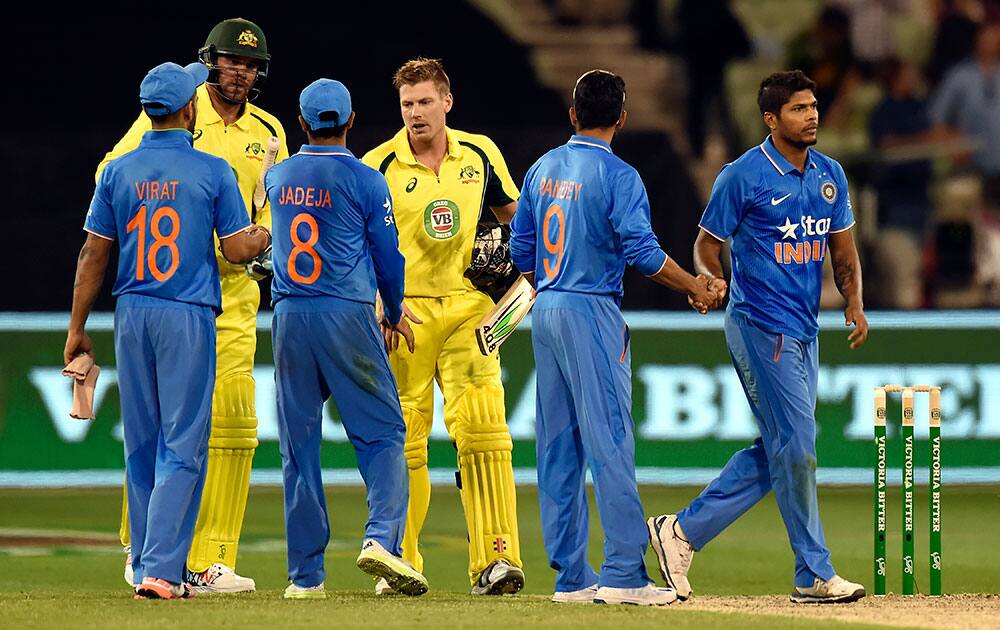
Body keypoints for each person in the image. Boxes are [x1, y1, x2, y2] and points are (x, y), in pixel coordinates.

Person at [647, 70, 869, 605]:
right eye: (798, 108)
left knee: (783, 446)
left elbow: (843, 252)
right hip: (757, 323)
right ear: (771, 119)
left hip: (804, 328)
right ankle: (812, 572)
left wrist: (856, 304)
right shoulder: (742, 176)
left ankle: (681, 533)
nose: (812, 115)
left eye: (814, 106)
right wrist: (710, 277)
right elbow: (706, 243)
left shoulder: (830, 175)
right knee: (798, 444)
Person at [509, 69, 723, 606]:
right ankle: (625, 574)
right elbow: (644, 255)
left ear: (573, 114)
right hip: (591, 309)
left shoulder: (541, 168)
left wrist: (551, 282)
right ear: (622, 118)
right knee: (609, 442)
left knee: (559, 447)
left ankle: (571, 579)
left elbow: (521, 252)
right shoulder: (621, 175)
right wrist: (695, 285)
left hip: (547, 307)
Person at [97, 17, 288, 593]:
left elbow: (268, 207)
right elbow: (111, 172)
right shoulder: (176, 111)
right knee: (160, 433)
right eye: (233, 62)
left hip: (235, 299)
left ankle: (211, 559)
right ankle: (144, 550)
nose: (242, 73)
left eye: (252, 66)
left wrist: (263, 243)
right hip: (175, 292)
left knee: (235, 424)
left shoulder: (269, 128)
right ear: (210, 62)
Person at [361, 58, 525, 595]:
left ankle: (496, 560)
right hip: (402, 313)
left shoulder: (479, 152)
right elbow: (355, 244)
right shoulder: (378, 163)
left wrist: (516, 286)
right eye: (407, 104)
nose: (415, 113)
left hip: (468, 310)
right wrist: (379, 303)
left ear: (446, 102)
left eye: (425, 102)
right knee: (404, 440)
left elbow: (514, 219)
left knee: (483, 428)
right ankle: (399, 560)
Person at [267, 79, 428, 600]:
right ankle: (382, 539)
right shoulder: (366, 180)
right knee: (383, 434)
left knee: (299, 448)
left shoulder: (277, 177)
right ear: (352, 120)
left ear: (301, 121)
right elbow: (388, 255)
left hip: (290, 315)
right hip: (346, 315)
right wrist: (396, 310)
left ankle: (305, 578)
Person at [868, 57, 934, 308]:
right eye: (908, 73)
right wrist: (925, 140)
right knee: (901, 291)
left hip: (924, 207)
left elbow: (940, 132)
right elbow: (886, 146)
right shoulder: (883, 112)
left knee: (922, 284)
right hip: (895, 213)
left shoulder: (921, 107)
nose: (913, 78)